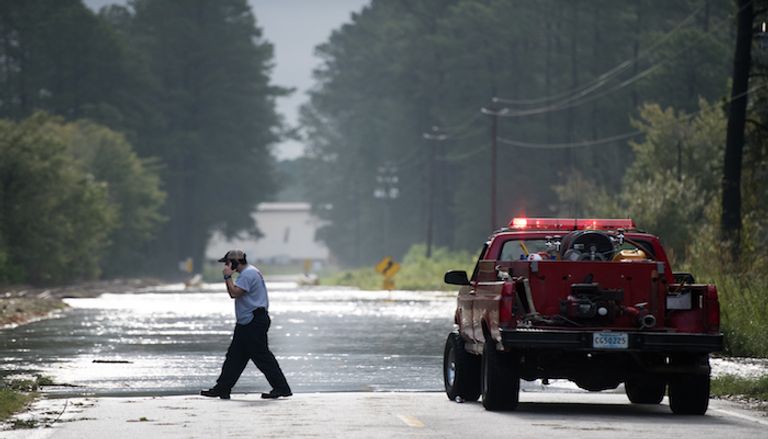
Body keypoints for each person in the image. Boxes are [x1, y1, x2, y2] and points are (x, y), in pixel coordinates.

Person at [201, 249, 292, 400]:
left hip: (253, 322)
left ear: (235, 262)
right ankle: (222, 388)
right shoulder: (250, 272)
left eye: (228, 263)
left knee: (262, 357)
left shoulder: (248, 274)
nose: (226, 265)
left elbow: (234, 293)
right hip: (247, 322)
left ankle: (282, 387)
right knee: (234, 357)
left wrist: (227, 277)